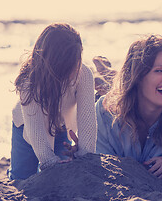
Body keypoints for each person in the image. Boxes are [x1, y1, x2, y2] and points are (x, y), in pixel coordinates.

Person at [95, 34, 162, 180]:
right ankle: (107, 75)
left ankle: (107, 74)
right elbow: (99, 163)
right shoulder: (104, 112)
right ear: (137, 76)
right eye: (159, 70)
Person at [7, 23, 97, 180]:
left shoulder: (84, 75)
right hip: (26, 127)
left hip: (60, 126)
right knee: (22, 176)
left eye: (78, 58)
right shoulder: (29, 83)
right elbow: (36, 133)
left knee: (60, 176)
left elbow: (87, 119)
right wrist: (49, 162)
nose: (76, 66)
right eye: (71, 62)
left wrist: (84, 154)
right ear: (56, 63)